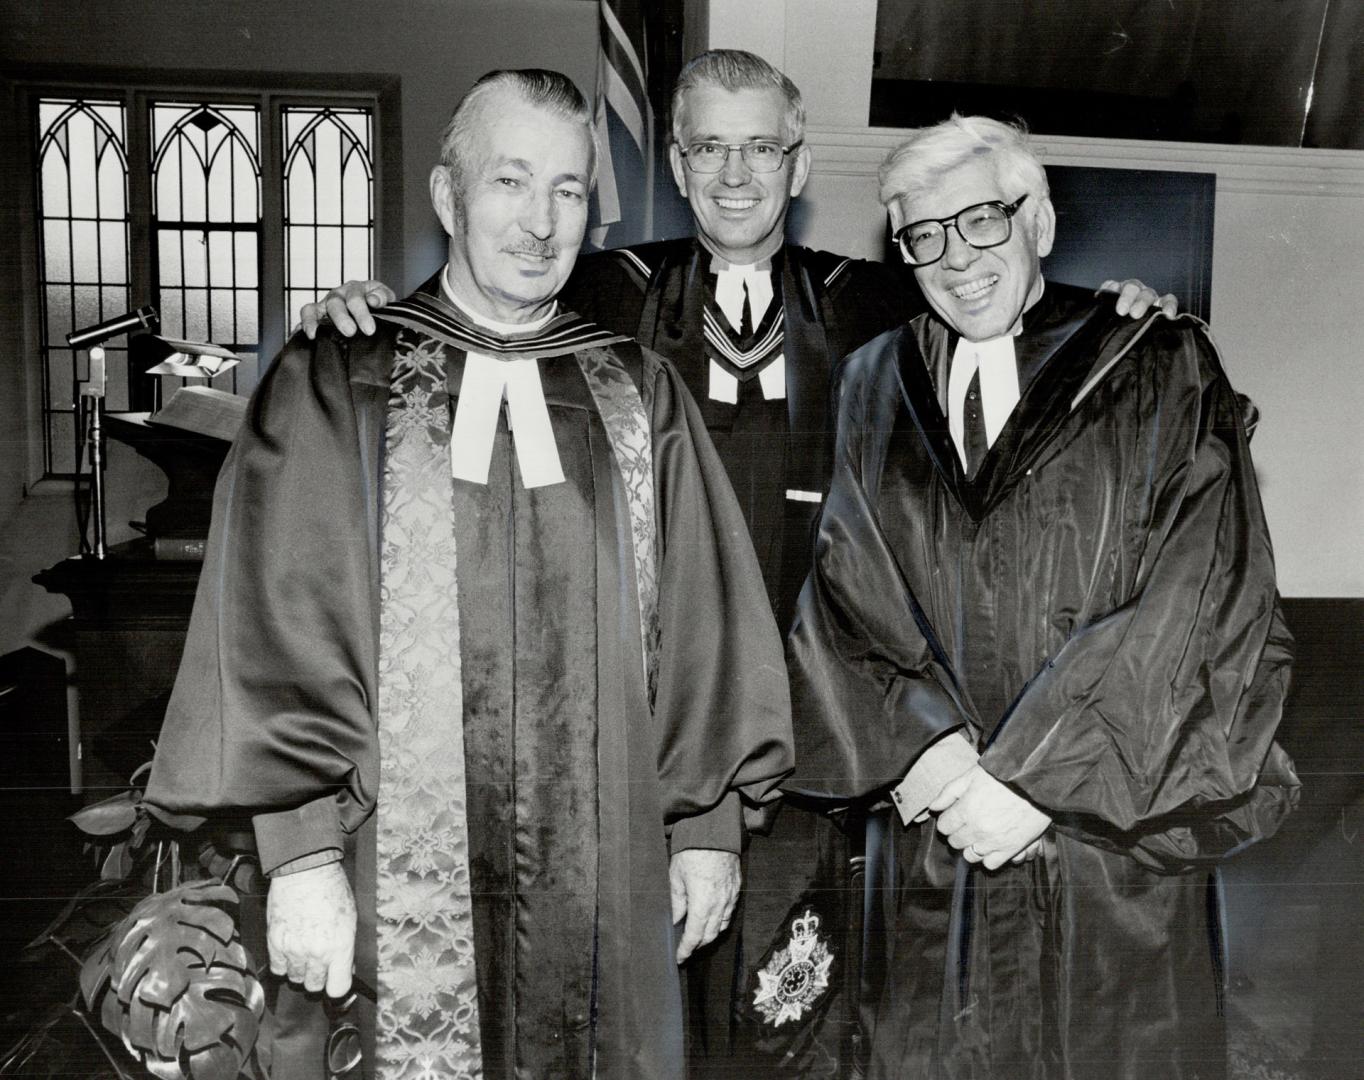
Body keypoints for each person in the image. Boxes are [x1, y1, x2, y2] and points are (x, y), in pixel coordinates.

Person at [299, 51, 1177, 1079]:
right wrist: (353, 308)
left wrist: (1118, 305)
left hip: (827, 740)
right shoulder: (592, 290)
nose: (734, 173)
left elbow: (1005, 298)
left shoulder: (878, 304)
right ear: (673, 162)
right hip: (642, 748)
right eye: (708, 146)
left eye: (761, 146)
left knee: (787, 1020)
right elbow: (455, 325)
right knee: (634, 1017)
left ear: (798, 167)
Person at [145, 68, 793, 1080]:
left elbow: (706, 626)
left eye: (568, 191)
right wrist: (304, 852)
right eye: (509, 182)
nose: (539, 223)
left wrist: (707, 825)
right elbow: (276, 629)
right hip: (380, 868)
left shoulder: (637, 393)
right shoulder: (337, 381)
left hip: (606, 874)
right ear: (449, 197)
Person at [787, 114, 1300, 1080]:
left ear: (1042, 224)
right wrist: (923, 749)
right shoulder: (871, 384)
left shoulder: (1157, 365)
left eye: (983, 220)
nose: (957, 258)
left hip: (1104, 841)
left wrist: (1032, 777)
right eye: (923, 235)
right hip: (934, 834)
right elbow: (844, 587)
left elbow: (1202, 599)